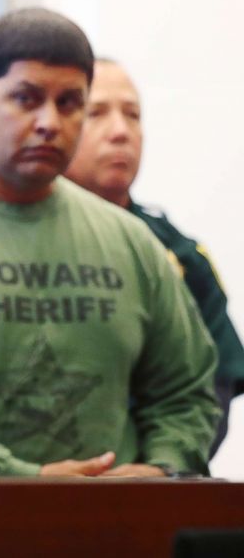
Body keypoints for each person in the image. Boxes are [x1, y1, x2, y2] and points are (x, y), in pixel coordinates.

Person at [0, 8, 220, 476]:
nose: (49, 122)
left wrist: (162, 471)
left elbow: (187, 392)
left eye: (69, 103)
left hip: (117, 530)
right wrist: (26, 481)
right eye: (26, 99)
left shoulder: (129, 239)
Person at [65, 58, 244, 453]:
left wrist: (163, 466)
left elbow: (216, 384)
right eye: (96, 113)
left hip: (150, 481)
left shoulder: (177, 252)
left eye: (133, 115)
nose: (120, 132)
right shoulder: (15, 231)